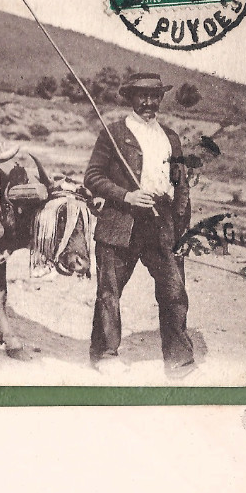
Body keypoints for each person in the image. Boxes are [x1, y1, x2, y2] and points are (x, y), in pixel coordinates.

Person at [84, 70, 196, 379]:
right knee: (110, 292)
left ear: (161, 99)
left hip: (163, 224)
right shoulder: (115, 133)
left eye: (154, 96)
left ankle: (179, 361)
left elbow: (180, 182)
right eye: (141, 96)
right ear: (131, 99)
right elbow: (92, 177)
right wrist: (127, 195)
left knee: (174, 292)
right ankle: (104, 354)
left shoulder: (170, 137)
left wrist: (181, 220)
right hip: (122, 221)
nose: (148, 102)